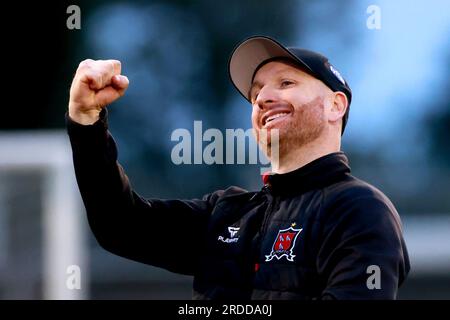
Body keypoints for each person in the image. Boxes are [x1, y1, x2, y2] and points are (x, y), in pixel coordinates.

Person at [66, 35, 410, 299]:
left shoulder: (360, 209)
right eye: (255, 92)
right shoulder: (228, 213)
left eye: (286, 83)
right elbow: (120, 225)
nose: (262, 98)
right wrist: (85, 122)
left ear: (336, 105)